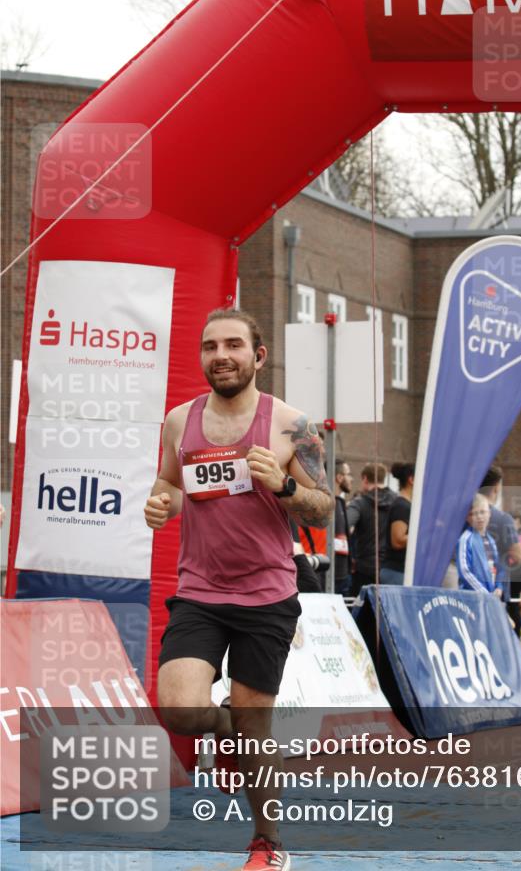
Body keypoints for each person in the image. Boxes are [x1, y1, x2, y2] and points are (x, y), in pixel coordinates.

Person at [144, 308, 334, 871]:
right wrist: (160, 504)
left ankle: (267, 844)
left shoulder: (294, 426)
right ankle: (227, 726)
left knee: (257, 728)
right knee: (180, 709)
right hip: (200, 590)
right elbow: (170, 483)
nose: (220, 355)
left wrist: (283, 485)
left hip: (267, 595)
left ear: (258, 356)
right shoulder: (180, 421)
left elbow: (324, 507)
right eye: (210, 347)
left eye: (232, 345)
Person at [480, 465, 521, 633]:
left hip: (467, 584)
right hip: (496, 585)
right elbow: (518, 555)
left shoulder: (464, 515)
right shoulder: (502, 519)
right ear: (497, 487)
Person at [346, 463, 396, 596]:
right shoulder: (398, 501)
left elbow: (346, 525)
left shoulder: (359, 503)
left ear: (365, 479)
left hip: (364, 568)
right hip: (390, 569)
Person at [456, 493, 504, 598]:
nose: (479, 517)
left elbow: (498, 567)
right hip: (472, 598)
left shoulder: (491, 541)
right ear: (468, 518)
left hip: (490, 597)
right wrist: (483, 592)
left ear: (489, 513)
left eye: (482, 512)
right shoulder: (465, 539)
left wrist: (499, 587)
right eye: (474, 513)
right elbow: (464, 571)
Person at [380, 462, 414, 585]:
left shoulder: (406, 505)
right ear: (411, 480)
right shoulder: (402, 506)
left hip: (400, 571)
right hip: (396, 572)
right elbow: (398, 541)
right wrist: (422, 533)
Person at [333, 460, 353, 595]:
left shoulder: (340, 502)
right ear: (339, 477)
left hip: (343, 575)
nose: (351, 479)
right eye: (348, 474)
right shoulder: (327, 503)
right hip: (332, 577)